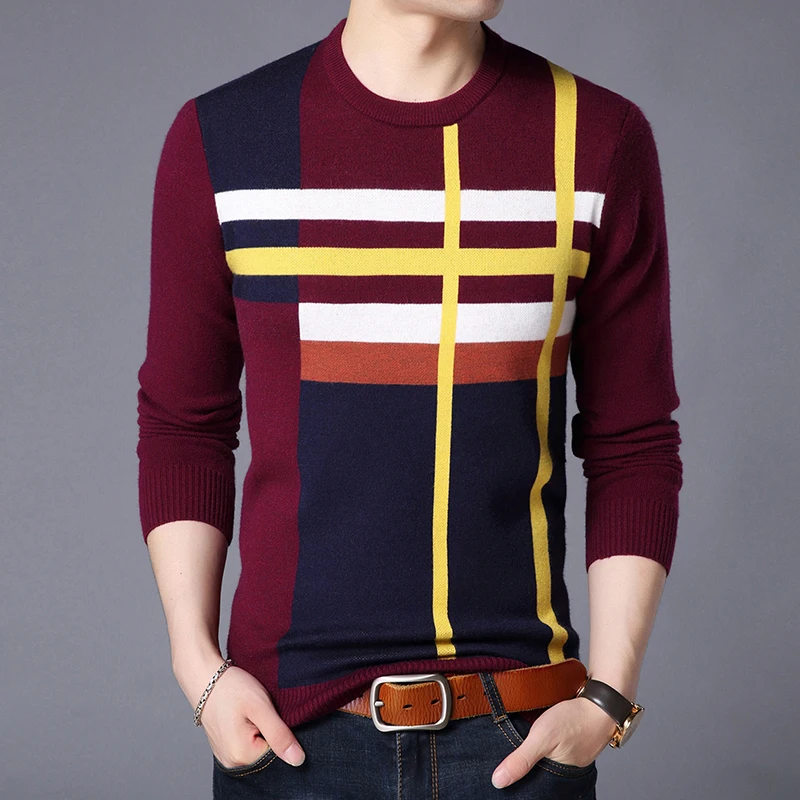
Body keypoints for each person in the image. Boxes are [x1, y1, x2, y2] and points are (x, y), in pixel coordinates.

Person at [137, 1, 683, 797]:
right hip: (287, 743)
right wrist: (198, 666)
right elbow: (185, 424)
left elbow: (633, 439)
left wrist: (608, 696)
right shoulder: (224, 138)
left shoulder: (596, 138)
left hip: (518, 740)